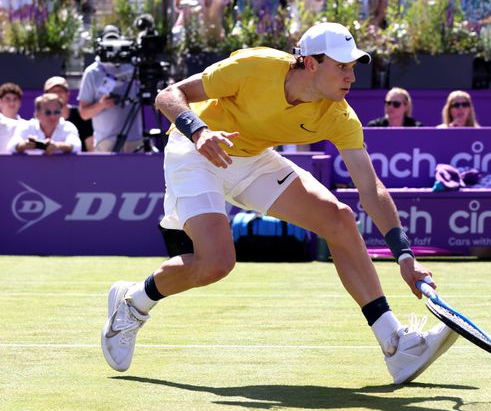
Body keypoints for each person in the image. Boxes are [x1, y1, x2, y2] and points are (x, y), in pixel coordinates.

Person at [99, 22, 458, 384]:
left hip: (253, 158)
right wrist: (200, 131)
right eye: (342, 66)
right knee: (216, 263)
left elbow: (371, 188)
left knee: (339, 218)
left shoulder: (338, 115)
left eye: (353, 67)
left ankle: (396, 344)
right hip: (196, 149)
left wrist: (404, 255)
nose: (351, 76)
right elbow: (169, 95)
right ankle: (133, 303)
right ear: (311, 64)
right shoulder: (255, 66)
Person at [78, 26, 144, 153]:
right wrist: (101, 105)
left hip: (134, 140)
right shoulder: (92, 72)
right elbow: (84, 114)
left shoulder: (134, 66)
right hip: (106, 142)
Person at [8, 93, 81, 155]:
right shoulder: (26, 126)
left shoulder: (68, 127)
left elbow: (77, 146)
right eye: (48, 112)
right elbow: (11, 146)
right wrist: (24, 145)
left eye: (57, 112)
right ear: (37, 114)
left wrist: (57, 146)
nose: (53, 116)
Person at [44, 76, 94, 152]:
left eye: (60, 91)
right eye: (53, 91)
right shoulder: (40, 118)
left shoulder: (81, 115)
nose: (57, 94)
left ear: (68, 94)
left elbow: (91, 149)